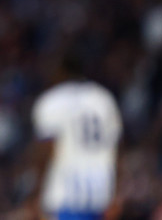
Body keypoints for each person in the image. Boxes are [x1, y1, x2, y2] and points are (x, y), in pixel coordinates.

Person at [31, 51, 122, 220]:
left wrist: (37, 193)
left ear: (61, 70)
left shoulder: (52, 101)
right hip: (101, 190)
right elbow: (117, 148)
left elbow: (46, 152)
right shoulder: (103, 98)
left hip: (68, 192)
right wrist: (117, 192)